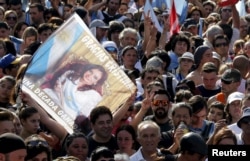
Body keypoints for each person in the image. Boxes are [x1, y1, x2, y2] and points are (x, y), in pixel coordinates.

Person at [43, 60, 108, 117]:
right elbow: (58, 82)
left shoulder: (93, 95)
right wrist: (57, 87)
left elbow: (83, 114)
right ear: (87, 69)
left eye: (95, 77)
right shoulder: (70, 74)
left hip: (66, 115)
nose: (90, 76)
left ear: (96, 83)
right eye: (90, 71)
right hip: (53, 98)